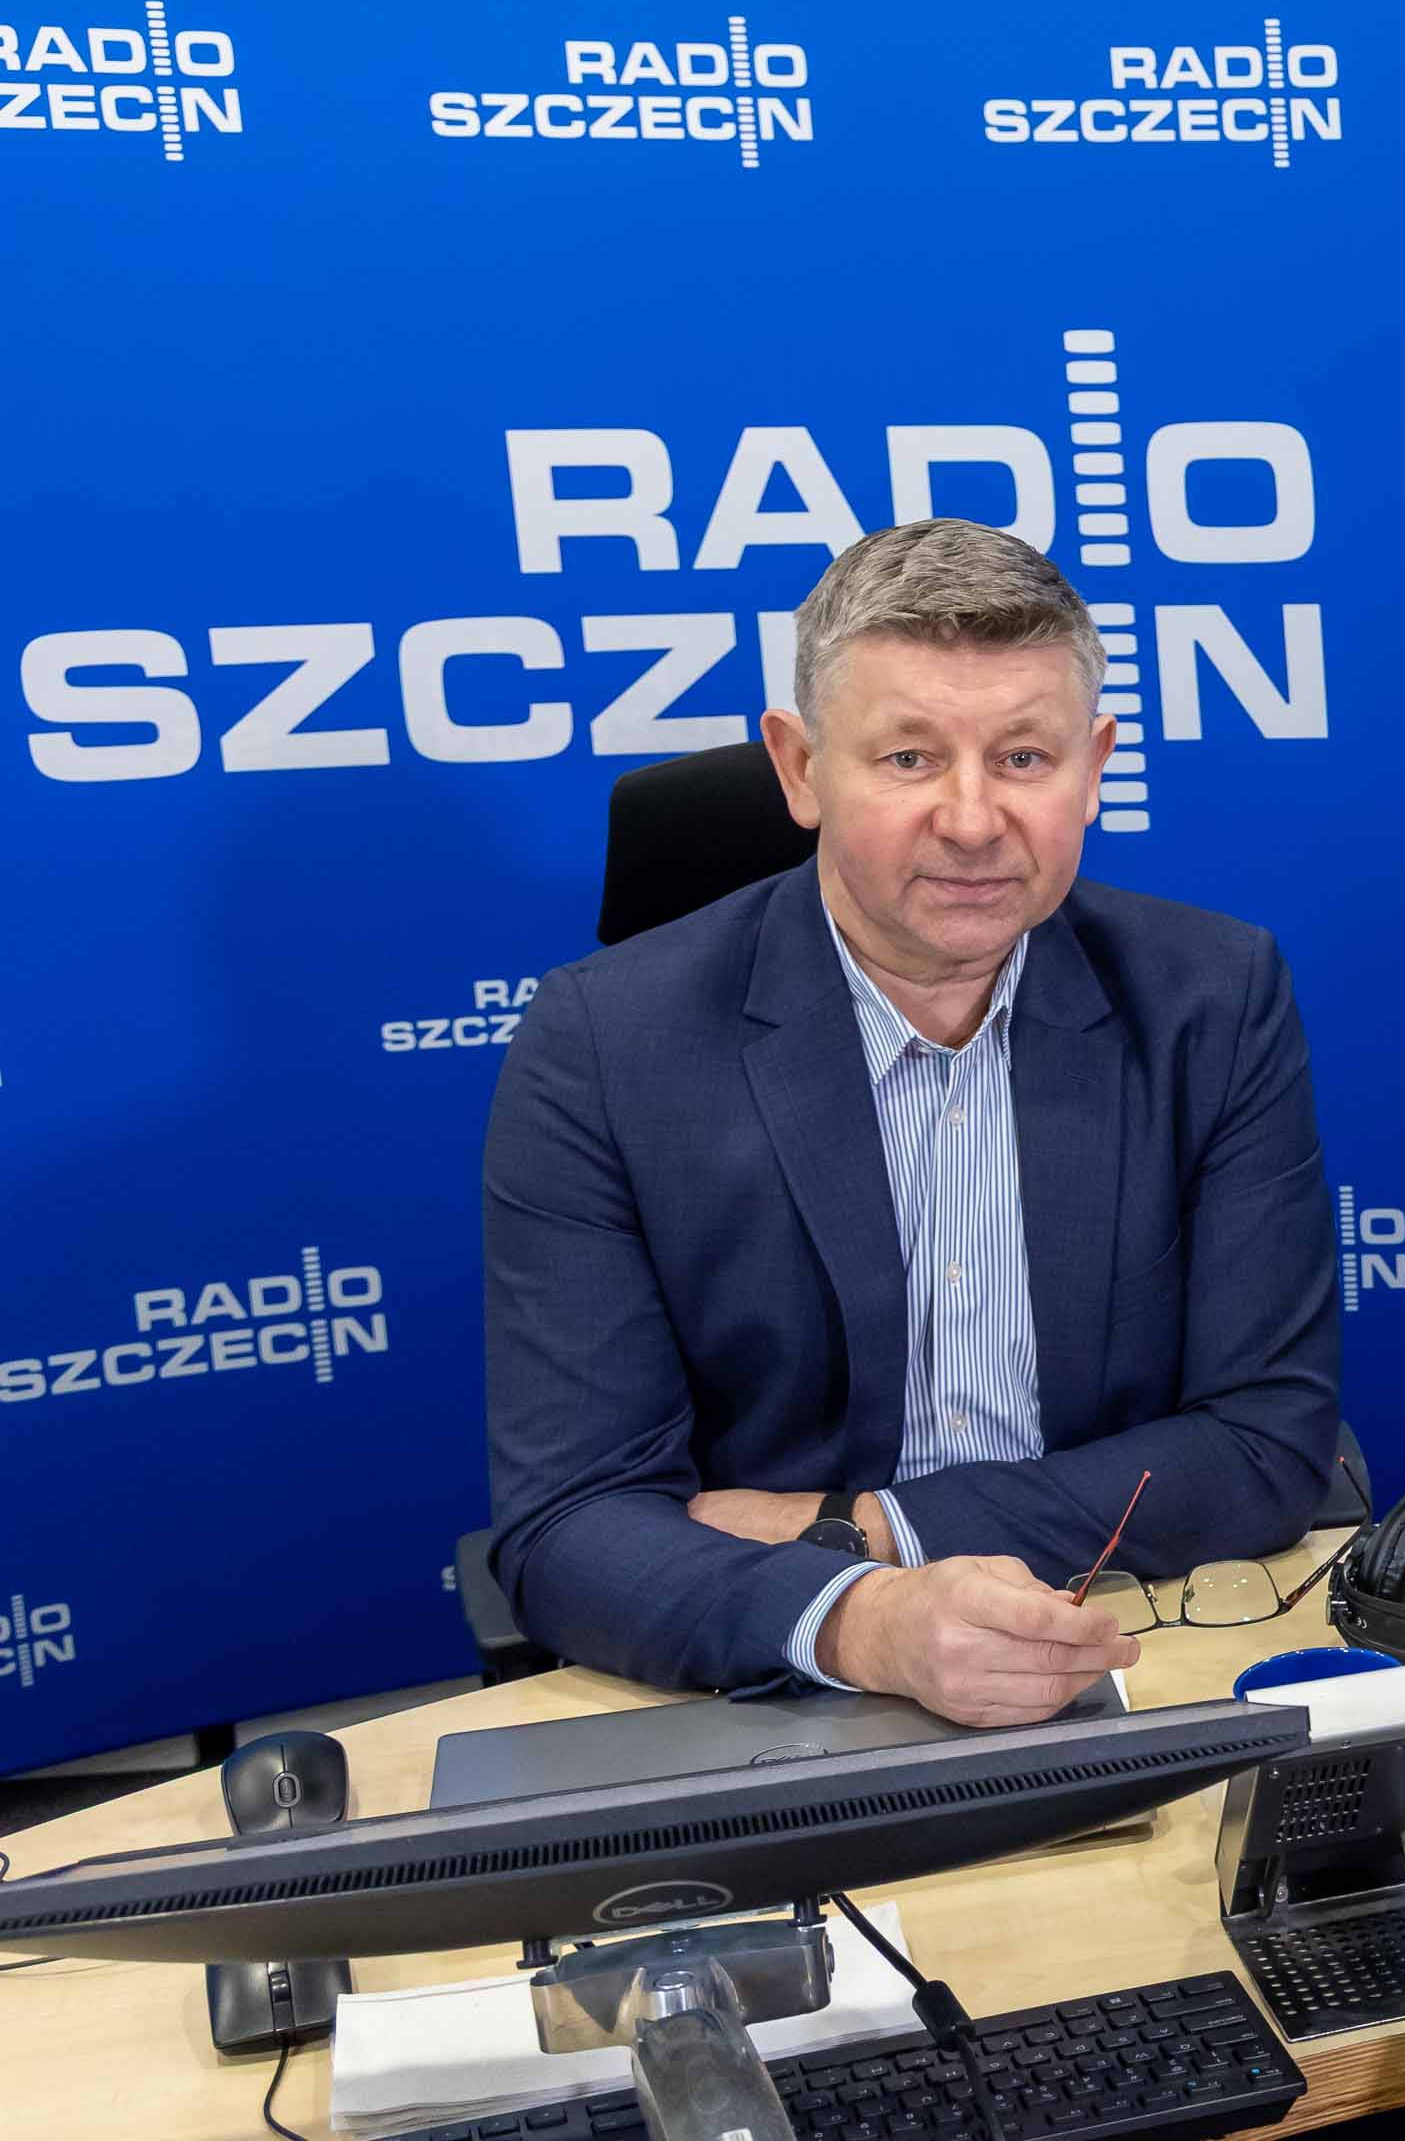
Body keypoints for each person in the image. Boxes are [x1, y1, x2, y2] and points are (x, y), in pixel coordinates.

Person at [484, 518, 1346, 1724]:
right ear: (799, 769)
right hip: (775, 1681)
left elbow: (1265, 1442)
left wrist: (868, 1527)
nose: (974, 818)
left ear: (1095, 764)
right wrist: (865, 1617)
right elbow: (572, 1522)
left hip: (1124, 1630)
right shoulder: (605, 1044)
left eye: (1024, 757)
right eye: (909, 759)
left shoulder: (1212, 999)